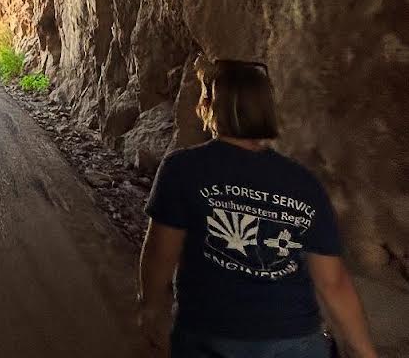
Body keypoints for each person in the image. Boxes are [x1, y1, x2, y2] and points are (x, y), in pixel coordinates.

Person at [138, 59, 378, 358]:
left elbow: (161, 252)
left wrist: (151, 309)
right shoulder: (304, 183)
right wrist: (364, 351)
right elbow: (333, 282)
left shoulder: (183, 168)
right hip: (294, 340)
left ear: (209, 106)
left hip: (211, 334)